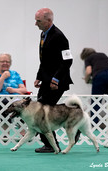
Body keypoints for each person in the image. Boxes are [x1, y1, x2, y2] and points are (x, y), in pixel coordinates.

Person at [34, 8, 80, 153]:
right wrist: (39, 76)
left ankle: (50, 144)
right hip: (47, 80)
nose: (35, 24)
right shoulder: (44, 34)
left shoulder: (59, 37)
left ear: (49, 21)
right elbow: (45, 60)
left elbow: (67, 61)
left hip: (57, 82)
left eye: (38, 21)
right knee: (42, 110)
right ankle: (52, 141)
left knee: (41, 111)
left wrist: (55, 79)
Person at [0, 53, 27, 133]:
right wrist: (3, 77)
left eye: (7, 61)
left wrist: (14, 90)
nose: (5, 63)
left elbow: (24, 90)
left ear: (10, 63)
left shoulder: (15, 74)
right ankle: (6, 133)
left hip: (16, 100)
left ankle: (22, 133)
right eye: (2, 61)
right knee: (6, 103)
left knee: (22, 104)